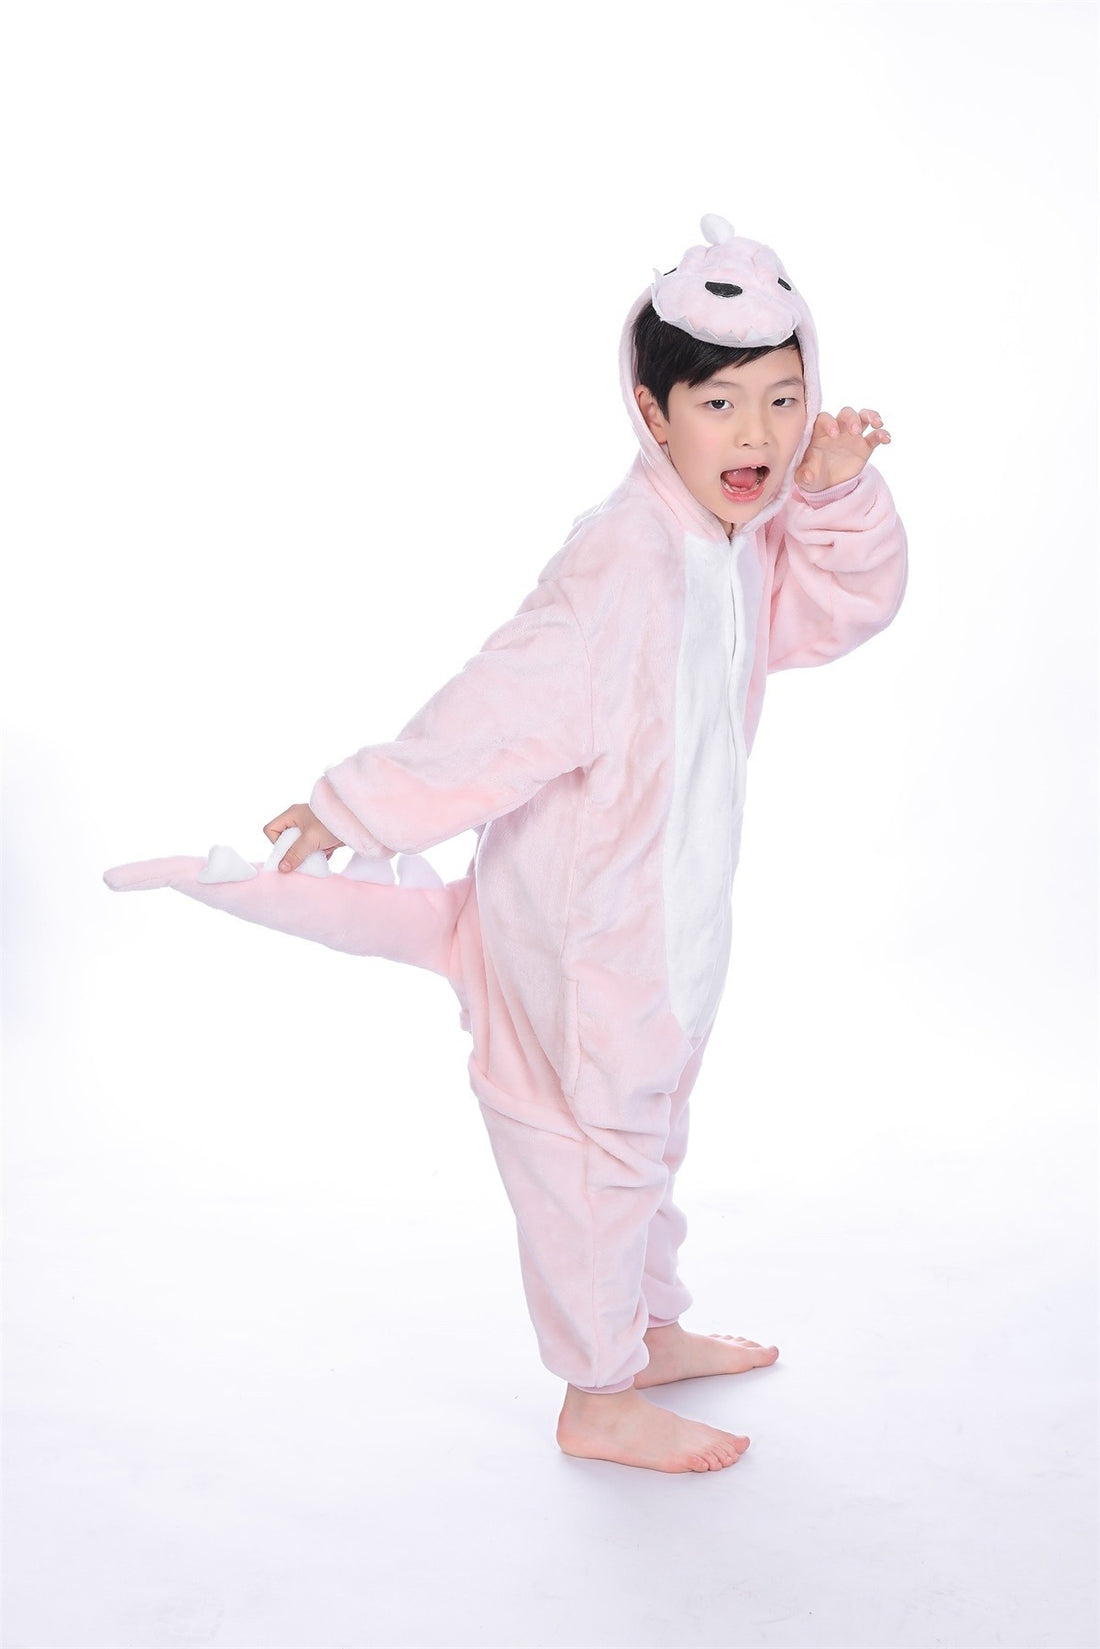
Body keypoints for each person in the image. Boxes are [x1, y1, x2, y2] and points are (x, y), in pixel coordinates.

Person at [106, 215, 907, 1475]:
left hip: (667, 916)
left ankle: (645, 1328)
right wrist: (354, 806)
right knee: (591, 1149)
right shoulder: (623, 559)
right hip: (581, 931)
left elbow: (835, 609)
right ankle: (597, 1391)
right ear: (650, 412)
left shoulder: (734, 538)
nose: (756, 433)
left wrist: (834, 493)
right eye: (719, 403)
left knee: (646, 1125)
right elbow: (502, 704)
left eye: (782, 398)